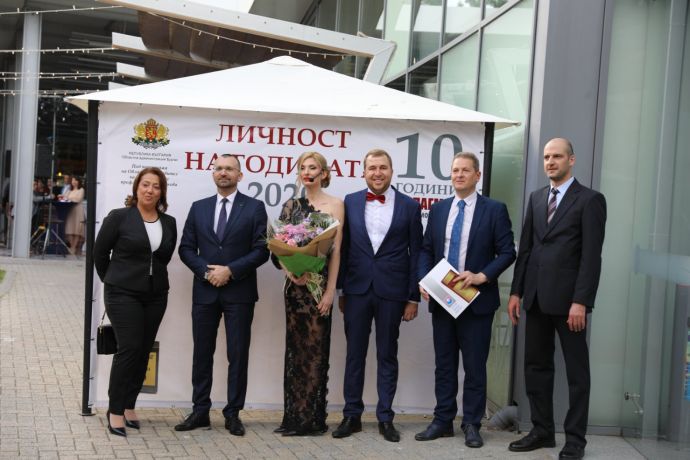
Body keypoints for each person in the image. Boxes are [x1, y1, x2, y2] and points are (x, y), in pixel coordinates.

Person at [507, 138, 606, 460]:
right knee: (536, 367)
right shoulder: (537, 198)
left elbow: (591, 257)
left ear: (571, 160)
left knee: (577, 374)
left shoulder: (590, 200)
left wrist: (581, 301)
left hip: (569, 304)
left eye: (557, 156)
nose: (550, 162)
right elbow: (526, 249)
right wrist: (516, 291)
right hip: (535, 298)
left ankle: (575, 440)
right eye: (547, 157)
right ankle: (542, 431)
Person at [415, 152, 516, 448]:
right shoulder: (438, 210)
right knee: (444, 365)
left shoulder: (494, 210)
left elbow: (507, 252)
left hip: (477, 300)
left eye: (465, 170)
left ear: (477, 175)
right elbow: (426, 249)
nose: (459, 175)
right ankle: (442, 421)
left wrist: (482, 276)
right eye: (455, 170)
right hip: (443, 298)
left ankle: (472, 424)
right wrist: (424, 279)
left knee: (474, 367)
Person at [333, 148, 423, 443]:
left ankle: (385, 418)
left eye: (382, 167)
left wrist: (413, 297)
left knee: (387, 355)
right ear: (364, 172)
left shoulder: (410, 206)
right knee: (354, 355)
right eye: (372, 168)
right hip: (356, 290)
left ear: (391, 171)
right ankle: (352, 415)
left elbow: (416, 254)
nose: (377, 173)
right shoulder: (350, 201)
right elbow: (344, 249)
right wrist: (342, 290)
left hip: (392, 292)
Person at [176, 154, 269, 435]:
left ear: (240, 175)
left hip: (239, 292)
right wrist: (207, 272)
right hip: (205, 292)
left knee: (237, 355)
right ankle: (200, 411)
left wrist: (230, 270)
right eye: (218, 168)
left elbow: (262, 250)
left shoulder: (254, 208)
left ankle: (233, 414)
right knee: (202, 353)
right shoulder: (199, 207)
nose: (223, 172)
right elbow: (186, 248)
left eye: (229, 168)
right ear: (213, 174)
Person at [93, 167, 177, 437]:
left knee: (143, 351)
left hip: (156, 296)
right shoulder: (119, 217)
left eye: (156, 186)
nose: (150, 190)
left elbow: (163, 258)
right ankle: (115, 410)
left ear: (162, 192)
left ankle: (129, 405)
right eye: (145, 184)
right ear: (136, 188)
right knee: (129, 349)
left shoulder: (169, 222)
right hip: (122, 294)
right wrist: (112, 281)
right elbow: (99, 253)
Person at [271, 151, 344, 436]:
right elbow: (279, 246)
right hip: (294, 289)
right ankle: (292, 417)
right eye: (303, 167)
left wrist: (330, 292)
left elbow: (336, 252)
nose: (308, 172)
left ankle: (311, 421)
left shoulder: (336, 205)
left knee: (315, 352)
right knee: (295, 352)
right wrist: (290, 270)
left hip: (318, 287)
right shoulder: (291, 205)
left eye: (313, 168)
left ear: (323, 173)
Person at [64, 176, 85, 255]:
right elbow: (64, 197)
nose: (74, 182)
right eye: (73, 180)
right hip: (70, 211)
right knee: (70, 229)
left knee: (77, 230)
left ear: (78, 181)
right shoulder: (69, 191)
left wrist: (69, 199)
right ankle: (71, 246)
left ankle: (73, 247)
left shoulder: (81, 190)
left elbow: (78, 199)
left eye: (75, 180)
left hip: (78, 210)